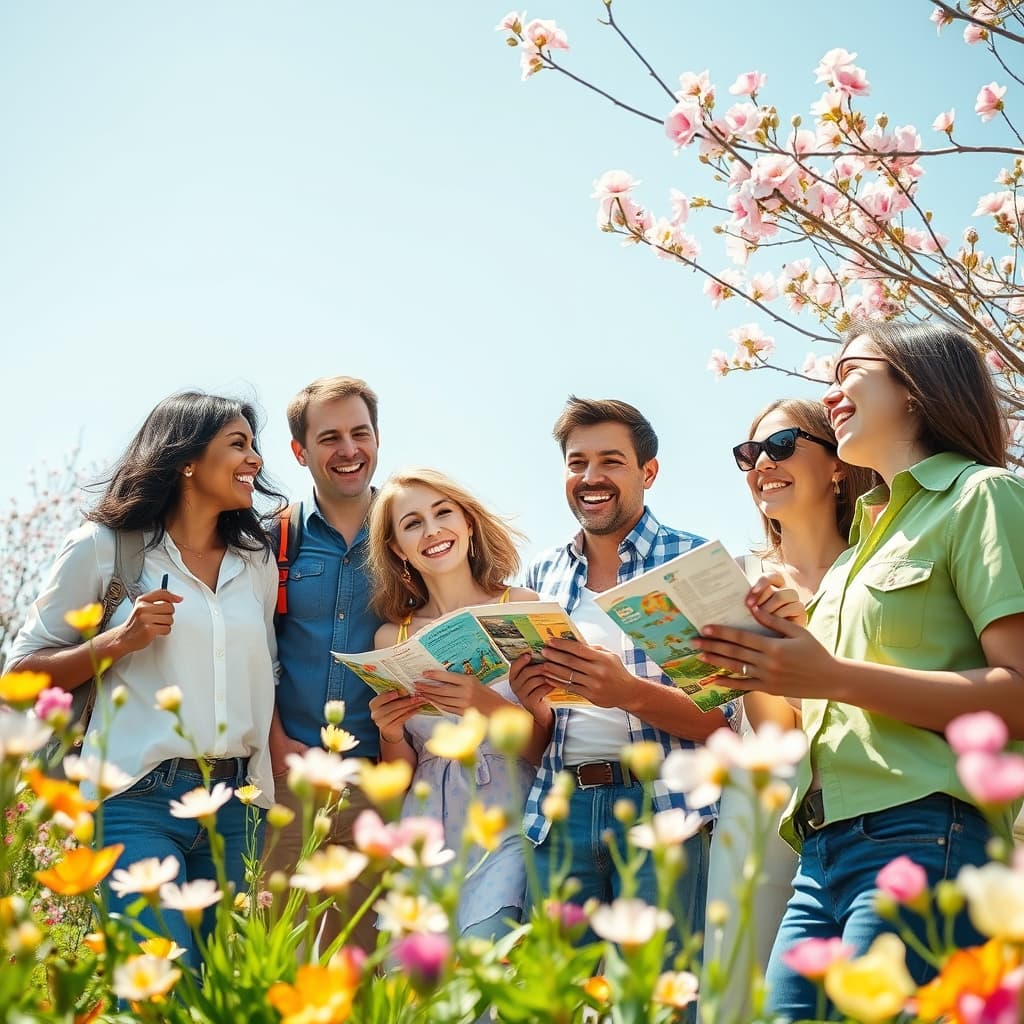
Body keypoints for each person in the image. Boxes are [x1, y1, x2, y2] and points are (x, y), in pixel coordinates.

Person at [694, 321, 1024, 1020]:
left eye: (849, 372)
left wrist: (833, 677)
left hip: (923, 831)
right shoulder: (857, 555)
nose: (829, 393)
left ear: (914, 388)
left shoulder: (982, 496)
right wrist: (755, 664)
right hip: (819, 854)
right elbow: (807, 716)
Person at [8, 391, 281, 968]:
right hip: (136, 799)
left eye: (254, 445)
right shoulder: (104, 547)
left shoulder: (254, 561)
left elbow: (266, 677)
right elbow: (20, 674)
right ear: (187, 460)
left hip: (236, 805)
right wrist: (117, 641)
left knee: (221, 995)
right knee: (160, 983)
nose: (255, 459)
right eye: (238, 444)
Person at [511, 395, 733, 957]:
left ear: (647, 472)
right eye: (577, 463)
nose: (591, 477)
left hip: (664, 811)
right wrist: (532, 703)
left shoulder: (693, 561)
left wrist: (627, 693)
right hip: (559, 810)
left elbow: (726, 726)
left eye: (610, 461)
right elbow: (542, 736)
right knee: (557, 994)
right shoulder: (542, 574)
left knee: (657, 992)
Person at [705, 398, 874, 1000]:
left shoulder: (875, 571)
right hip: (762, 806)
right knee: (742, 993)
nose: (762, 464)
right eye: (749, 453)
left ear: (837, 465)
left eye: (780, 446)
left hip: (870, 802)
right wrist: (750, 665)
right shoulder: (738, 577)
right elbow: (775, 730)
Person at [367, 467, 548, 939]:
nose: (432, 530)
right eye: (412, 524)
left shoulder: (520, 606)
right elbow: (401, 774)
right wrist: (390, 732)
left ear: (467, 522)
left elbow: (549, 749)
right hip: (425, 829)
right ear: (398, 549)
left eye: (442, 513)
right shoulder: (391, 638)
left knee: (487, 959)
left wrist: (484, 703)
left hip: (507, 817)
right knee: (417, 977)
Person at [265, 375, 384, 953]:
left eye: (360, 433)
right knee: (275, 957)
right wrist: (273, 742)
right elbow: (251, 651)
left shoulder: (407, 532)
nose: (348, 450)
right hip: (288, 780)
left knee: (365, 969)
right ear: (300, 451)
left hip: (379, 782)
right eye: (329, 437)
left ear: (377, 439)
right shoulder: (271, 539)